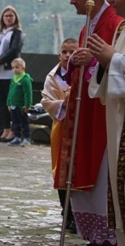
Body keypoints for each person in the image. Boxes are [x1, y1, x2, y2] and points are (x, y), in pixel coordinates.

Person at [54, 0, 120, 244]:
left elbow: (116, 65)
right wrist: (75, 62)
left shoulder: (115, 24)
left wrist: (92, 61)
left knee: (102, 182)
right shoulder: (87, 26)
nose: (71, 1)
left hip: (103, 120)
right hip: (83, 116)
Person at [88, 0, 125, 245]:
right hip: (119, 123)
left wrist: (113, 59)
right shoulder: (124, 27)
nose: (111, 0)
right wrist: (105, 60)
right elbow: (108, 83)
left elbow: (120, 63)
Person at [41, 37, 78, 234]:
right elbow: (47, 101)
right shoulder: (52, 77)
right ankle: (67, 213)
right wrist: (65, 103)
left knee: (78, 170)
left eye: (72, 52)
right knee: (61, 171)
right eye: (64, 52)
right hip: (62, 127)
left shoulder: (83, 74)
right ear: (59, 54)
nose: (68, 56)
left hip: (81, 128)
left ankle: (79, 214)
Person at [0, 6, 24, 143]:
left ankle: (15, 130)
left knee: (11, 102)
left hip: (9, 72)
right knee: (2, 103)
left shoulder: (17, 33)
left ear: (15, 18)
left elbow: (14, 50)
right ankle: (5, 129)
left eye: (11, 16)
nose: (8, 18)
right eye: (6, 16)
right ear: (2, 18)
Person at [5, 58, 32, 146]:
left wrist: (27, 105)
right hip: (13, 105)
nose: (14, 70)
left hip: (21, 106)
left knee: (24, 122)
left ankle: (27, 138)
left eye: (17, 67)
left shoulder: (25, 80)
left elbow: (28, 93)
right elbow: (10, 92)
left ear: (23, 68)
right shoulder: (13, 79)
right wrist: (8, 103)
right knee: (14, 122)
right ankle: (16, 137)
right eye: (13, 68)